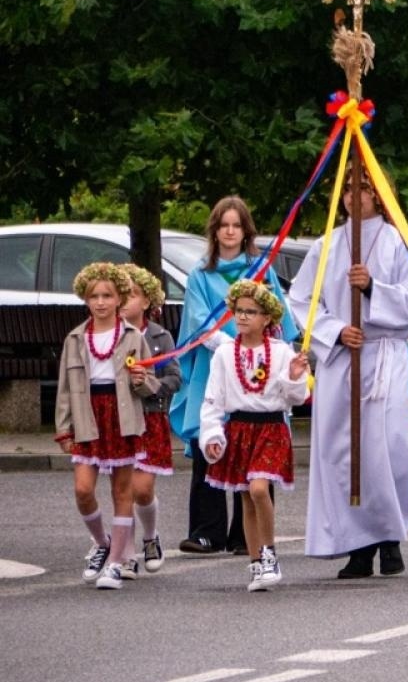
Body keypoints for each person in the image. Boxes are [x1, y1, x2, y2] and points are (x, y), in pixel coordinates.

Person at [289, 172, 408, 579]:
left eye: (363, 189)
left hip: (384, 355)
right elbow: (301, 300)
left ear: (377, 194)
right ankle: (358, 545)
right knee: (343, 453)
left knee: (387, 448)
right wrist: (334, 331)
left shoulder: (396, 241)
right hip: (343, 359)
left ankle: (389, 536)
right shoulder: (325, 246)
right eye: (347, 190)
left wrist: (371, 289)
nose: (354, 198)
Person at [172, 197, 297, 557]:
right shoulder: (200, 274)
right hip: (215, 366)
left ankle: (248, 536)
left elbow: (278, 317)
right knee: (208, 443)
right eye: (223, 225)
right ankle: (206, 531)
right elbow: (199, 322)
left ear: (246, 231)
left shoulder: (261, 270)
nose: (229, 231)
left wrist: (263, 353)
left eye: (236, 225)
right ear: (214, 231)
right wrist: (233, 346)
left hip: (258, 366)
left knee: (257, 440)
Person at [55, 263, 162, 590]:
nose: (100, 302)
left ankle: (116, 562)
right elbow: (63, 387)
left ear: (119, 299)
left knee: (122, 491)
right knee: (83, 489)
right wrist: (64, 427)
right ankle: (102, 543)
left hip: (123, 416)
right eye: (93, 296)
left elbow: (151, 385)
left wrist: (141, 380)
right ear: (85, 300)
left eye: (107, 296)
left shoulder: (131, 336)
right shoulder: (75, 338)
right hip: (89, 416)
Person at [199, 280, 310, 592]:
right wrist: (211, 433)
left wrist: (294, 376)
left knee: (260, 489)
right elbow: (213, 398)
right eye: (239, 311)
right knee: (246, 497)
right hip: (239, 429)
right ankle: (255, 563)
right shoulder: (223, 353)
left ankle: (270, 553)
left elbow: (296, 398)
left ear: (267, 319)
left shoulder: (281, 351)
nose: (243, 317)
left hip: (271, 428)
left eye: (252, 312)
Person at [120, 266, 180, 577]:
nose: (125, 302)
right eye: (122, 294)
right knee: (123, 489)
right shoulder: (109, 335)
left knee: (142, 489)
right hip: (117, 420)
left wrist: (151, 383)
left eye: (132, 295)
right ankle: (126, 554)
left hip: (150, 418)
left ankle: (150, 536)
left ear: (147, 301)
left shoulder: (160, 336)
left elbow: (174, 377)